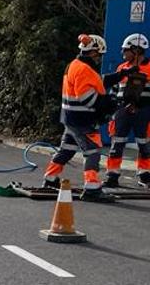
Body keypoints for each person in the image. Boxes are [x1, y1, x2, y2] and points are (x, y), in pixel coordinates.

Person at [42, 34, 115, 202]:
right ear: (94, 52)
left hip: (70, 117)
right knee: (93, 152)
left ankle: (50, 178)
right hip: (83, 120)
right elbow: (87, 98)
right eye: (99, 55)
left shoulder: (74, 65)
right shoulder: (84, 69)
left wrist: (119, 75)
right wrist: (107, 104)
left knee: (66, 149)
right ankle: (91, 187)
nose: (99, 58)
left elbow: (97, 82)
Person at [101, 33, 150, 189]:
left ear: (136, 50)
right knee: (117, 143)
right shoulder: (122, 68)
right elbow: (114, 90)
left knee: (145, 144)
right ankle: (112, 175)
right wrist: (113, 107)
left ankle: (145, 175)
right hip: (122, 112)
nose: (123, 54)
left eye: (126, 50)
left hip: (144, 112)